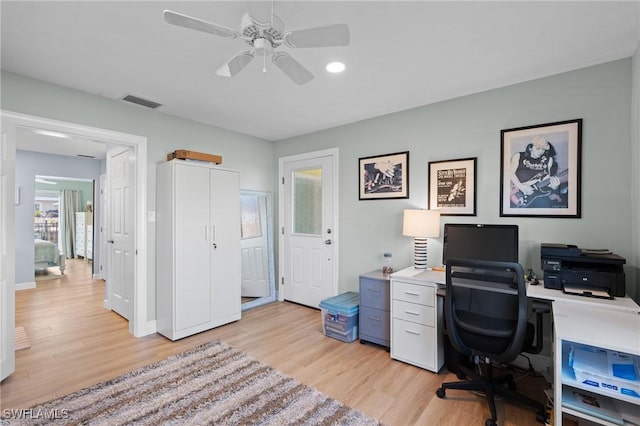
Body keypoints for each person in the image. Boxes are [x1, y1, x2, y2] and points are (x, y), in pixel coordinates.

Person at [510, 136, 563, 208]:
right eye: (538, 148)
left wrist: (554, 186)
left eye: (543, 149)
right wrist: (521, 187)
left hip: (539, 195)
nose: (541, 152)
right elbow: (510, 173)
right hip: (518, 194)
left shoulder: (548, 159)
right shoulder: (518, 156)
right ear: (530, 148)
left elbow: (547, 179)